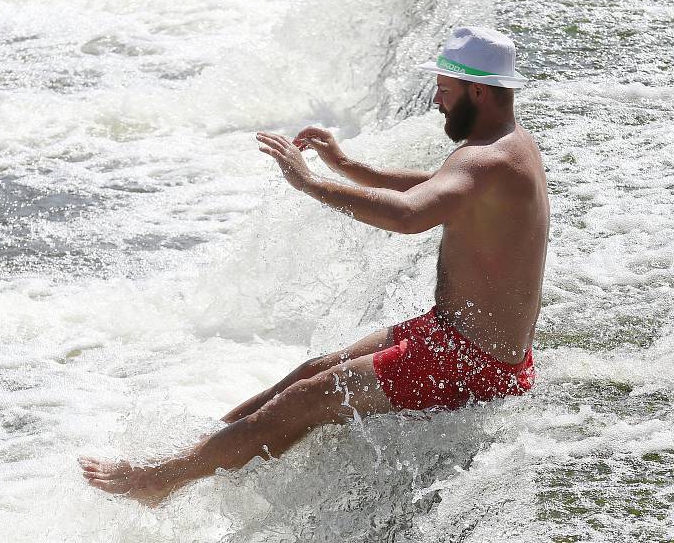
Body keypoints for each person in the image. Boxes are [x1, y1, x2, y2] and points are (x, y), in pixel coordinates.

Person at [79, 26, 549, 506]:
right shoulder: (505, 146)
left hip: (474, 363)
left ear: (477, 90)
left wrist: (308, 183)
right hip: (455, 337)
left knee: (307, 398)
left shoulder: (487, 159)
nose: (436, 102)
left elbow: (410, 215)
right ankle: (198, 450)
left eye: (445, 91)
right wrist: (343, 165)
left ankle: (160, 481)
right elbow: (430, 185)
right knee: (311, 370)